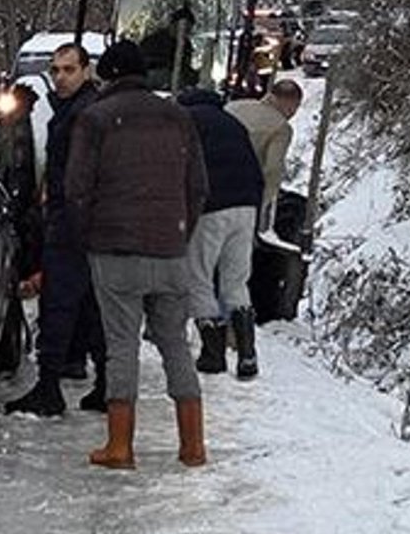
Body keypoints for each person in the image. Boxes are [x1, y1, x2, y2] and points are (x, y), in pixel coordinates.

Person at [66, 40, 209, 470]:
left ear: (106, 76)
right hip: (170, 248)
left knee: (121, 346)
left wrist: (86, 236)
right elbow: (198, 186)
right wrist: (178, 232)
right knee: (176, 345)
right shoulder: (179, 116)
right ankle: (193, 446)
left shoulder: (95, 119)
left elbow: (77, 190)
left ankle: (120, 446)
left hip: (115, 249)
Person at [5, 43, 108, 417]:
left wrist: (63, 215)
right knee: (89, 306)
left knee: (61, 305)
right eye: (56, 70)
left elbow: (79, 174)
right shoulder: (73, 110)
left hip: (74, 223)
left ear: (86, 70)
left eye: (68, 70)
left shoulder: (84, 114)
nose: (61, 77)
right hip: (80, 222)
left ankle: (51, 386)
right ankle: (101, 384)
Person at [179, 84, 264, 379]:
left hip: (211, 207)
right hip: (247, 206)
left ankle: (213, 354)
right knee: (236, 280)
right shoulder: (233, 123)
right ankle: (247, 354)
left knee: (198, 277)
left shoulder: (187, 121)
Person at [226, 78, 302, 379]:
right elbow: (272, 171)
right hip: (241, 202)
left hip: (207, 194)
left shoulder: (234, 107)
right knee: (235, 271)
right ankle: (233, 338)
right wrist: (262, 212)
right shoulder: (280, 128)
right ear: (289, 103)